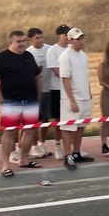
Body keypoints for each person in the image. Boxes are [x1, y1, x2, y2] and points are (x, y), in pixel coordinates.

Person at [0, 30, 42, 176]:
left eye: (24, 41)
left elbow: (37, 76)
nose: (22, 44)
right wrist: (1, 100)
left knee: (30, 131)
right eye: (19, 41)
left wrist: (39, 96)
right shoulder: (2, 58)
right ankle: (5, 165)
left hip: (31, 100)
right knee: (9, 132)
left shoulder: (29, 56)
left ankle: (24, 159)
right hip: (11, 101)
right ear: (11, 42)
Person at [58, 28, 95, 170]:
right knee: (68, 127)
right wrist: (72, 100)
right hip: (71, 98)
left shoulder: (83, 56)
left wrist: (89, 94)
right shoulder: (65, 56)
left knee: (80, 126)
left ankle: (76, 152)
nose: (81, 41)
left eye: (82, 38)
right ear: (71, 40)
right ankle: (67, 155)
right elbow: (65, 79)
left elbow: (85, 77)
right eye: (78, 39)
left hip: (85, 96)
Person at [26, 28, 53, 159]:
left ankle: (43, 142)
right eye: (37, 38)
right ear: (31, 39)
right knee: (34, 120)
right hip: (35, 91)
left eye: (42, 37)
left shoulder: (50, 49)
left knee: (45, 118)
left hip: (49, 88)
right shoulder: (28, 53)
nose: (40, 40)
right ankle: (34, 145)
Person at [45, 24, 69, 159]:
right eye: (65, 34)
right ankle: (58, 146)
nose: (67, 37)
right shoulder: (52, 51)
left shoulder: (73, 49)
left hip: (73, 89)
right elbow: (56, 71)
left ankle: (72, 146)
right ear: (59, 36)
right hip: (57, 89)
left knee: (72, 119)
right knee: (59, 119)